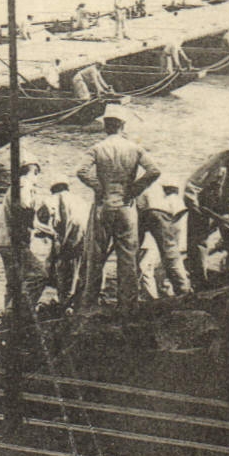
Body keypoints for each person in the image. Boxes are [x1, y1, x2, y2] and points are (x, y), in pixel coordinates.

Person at [76, 106, 162, 308]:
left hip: (103, 207)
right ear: (123, 126)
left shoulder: (97, 148)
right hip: (126, 206)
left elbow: (81, 171)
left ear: (106, 126)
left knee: (95, 256)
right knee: (128, 257)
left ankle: (90, 303)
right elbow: (154, 170)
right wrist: (134, 189)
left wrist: (99, 188)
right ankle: (128, 305)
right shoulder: (134, 148)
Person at [184, 131, 229, 289]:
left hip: (227, 206)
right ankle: (199, 282)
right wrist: (192, 202)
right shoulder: (219, 160)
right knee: (198, 243)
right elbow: (194, 180)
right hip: (203, 204)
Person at [0, 159, 53, 314]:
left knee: (13, 282)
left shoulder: (14, 186)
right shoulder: (24, 184)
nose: (37, 179)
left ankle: (8, 315)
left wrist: (42, 229)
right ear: (33, 171)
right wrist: (47, 230)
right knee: (39, 275)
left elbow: (24, 215)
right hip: (14, 242)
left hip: (3, 241)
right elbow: (25, 208)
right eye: (37, 174)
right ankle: (20, 312)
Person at [136, 178, 192, 301]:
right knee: (171, 253)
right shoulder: (161, 185)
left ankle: (182, 291)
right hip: (162, 210)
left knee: (168, 253)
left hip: (149, 209)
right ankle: (183, 290)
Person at [45, 177, 88, 309]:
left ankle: (65, 303)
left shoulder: (57, 198)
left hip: (72, 237)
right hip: (86, 237)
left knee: (64, 270)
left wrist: (61, 244)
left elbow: (59, 221)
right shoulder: (79, 199)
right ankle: (76, 301)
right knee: (80, 270)